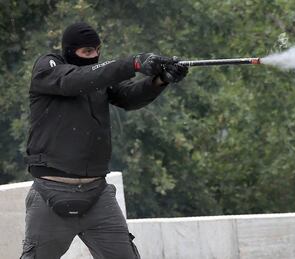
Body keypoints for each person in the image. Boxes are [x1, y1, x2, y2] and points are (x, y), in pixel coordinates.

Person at [20, 22, 188, 259]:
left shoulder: (98, 76)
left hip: (97, 196)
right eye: (87, 52)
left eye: (97, 50)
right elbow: (74, 81)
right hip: (51, 195)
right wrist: (134, 63)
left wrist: (161, 80)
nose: (95, 56)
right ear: (69, 51)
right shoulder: (48, 67)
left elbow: (129, 97)